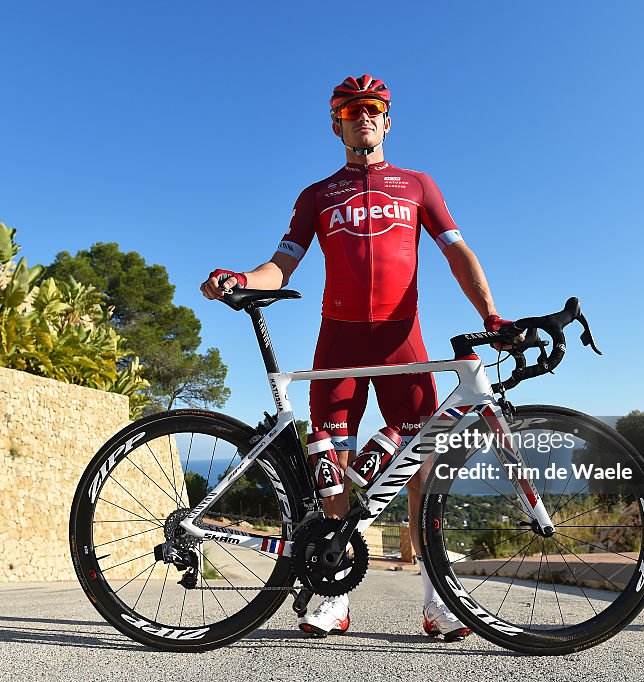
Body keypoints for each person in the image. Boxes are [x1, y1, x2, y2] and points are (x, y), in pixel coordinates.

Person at [201, 74, 516, 640]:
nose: (362, 116)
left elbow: (457, 252)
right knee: (330, 467)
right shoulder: (316, 195)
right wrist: (242, 278)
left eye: (373, 108)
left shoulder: (418, 185)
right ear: (335, 124)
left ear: (387, 120)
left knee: (422, 464)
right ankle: (330, 594)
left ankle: (437, 598)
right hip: (339, 341)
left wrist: (491, 315)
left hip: (402, 339)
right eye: (350, 110)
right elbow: (282, 265)